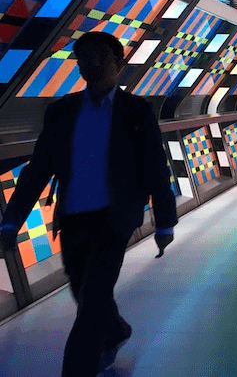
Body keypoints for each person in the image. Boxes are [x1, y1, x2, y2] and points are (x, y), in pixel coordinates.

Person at [0, 31, 177, 377]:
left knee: (93, 298)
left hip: (115, 218)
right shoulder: (62, 111)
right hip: (73, 218)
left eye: (100, 56)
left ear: (118, 65)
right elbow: (38, 169)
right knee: (83, 290)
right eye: (84, 58)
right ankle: (115, 331)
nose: (91, 64)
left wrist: (165, 221)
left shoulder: (136, 111)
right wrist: (11, 220)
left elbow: (156, 167)